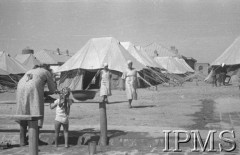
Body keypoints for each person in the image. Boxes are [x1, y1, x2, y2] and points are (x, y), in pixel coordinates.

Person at [16, 64, 56, 146]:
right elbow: (52, 89)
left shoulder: (29, 71)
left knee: (23, 113)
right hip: (33, 88)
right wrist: (45, 93)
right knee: (36, 112)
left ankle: (22, 141)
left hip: (20, 88)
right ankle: (35, 140)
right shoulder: (46, 72)